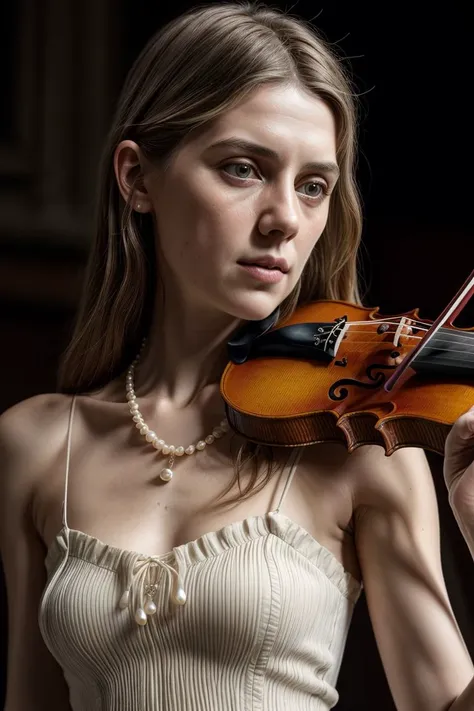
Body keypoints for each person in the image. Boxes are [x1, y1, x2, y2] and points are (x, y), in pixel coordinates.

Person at [1, 2, 474, 710]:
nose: (285, 216)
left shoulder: (359, 449)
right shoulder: (34, 444)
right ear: (137, 178)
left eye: (313, 184)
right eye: (243, 168)